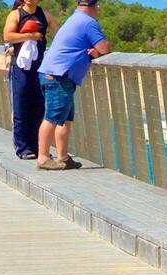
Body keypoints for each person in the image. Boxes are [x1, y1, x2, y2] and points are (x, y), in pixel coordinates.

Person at [33, 0, 110, 170]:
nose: (98, 8)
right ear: (92, 5)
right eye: (97, 5)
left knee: (65, 118)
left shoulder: (75, 19)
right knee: (52, 117)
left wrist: (93, 51)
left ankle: (63, 157)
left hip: (58, 75)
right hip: (58, 76)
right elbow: (104, 48)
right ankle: (43, 158)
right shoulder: (88, 22)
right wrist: (97, 51)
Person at [3, 0, 51, 161]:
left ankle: (38, 147)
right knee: (21, 106)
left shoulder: (45, 15)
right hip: (20, 68)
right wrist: (31, 36)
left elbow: (61, 34)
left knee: (38, 107)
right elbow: (7, 35)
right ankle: (23, 148)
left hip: (39, 67)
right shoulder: (15, 14)